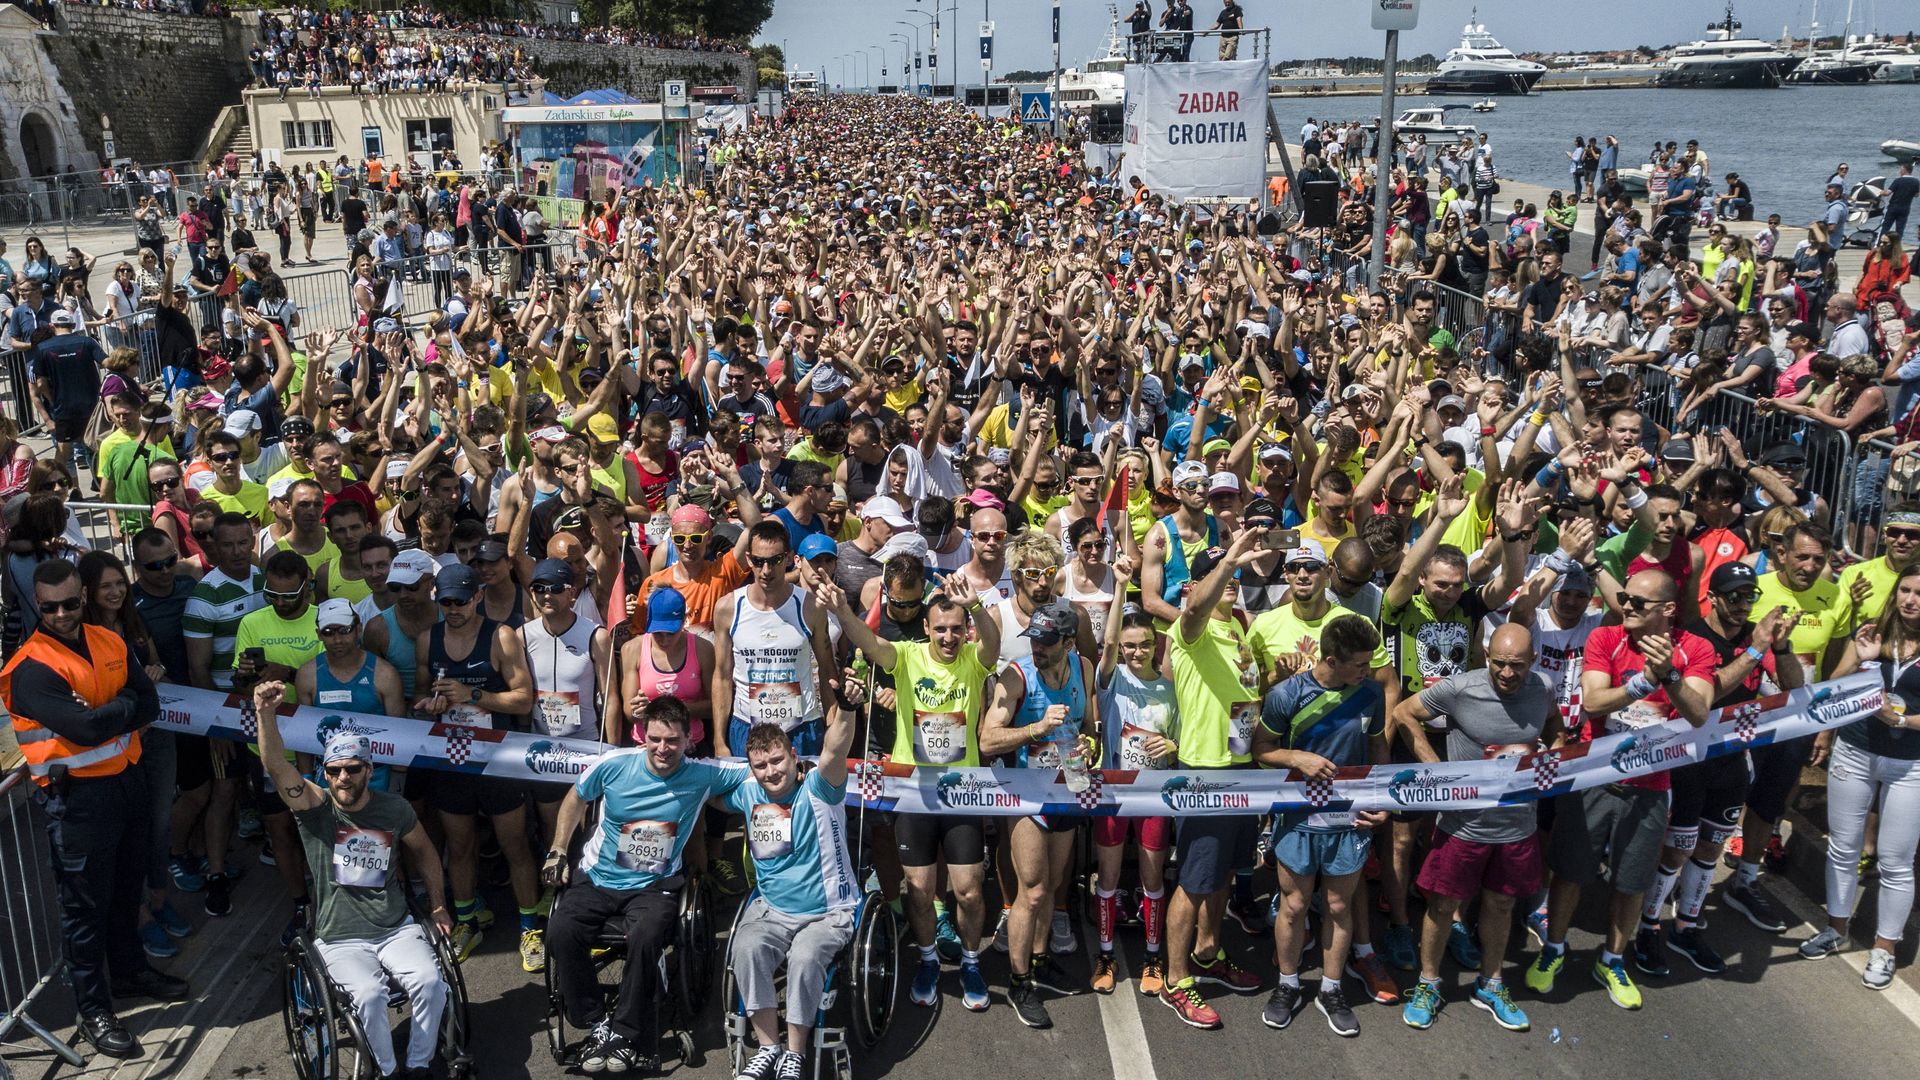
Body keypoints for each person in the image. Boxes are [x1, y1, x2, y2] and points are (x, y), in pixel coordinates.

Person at [0, 560, 184, 1060]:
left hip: (125, 783)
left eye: (69, 603)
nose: (60, 614)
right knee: (84, 909)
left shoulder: (109, 640)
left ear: (83, 596)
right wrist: (119, 707)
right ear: (37, 604)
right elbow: (87, 729)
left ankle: (128, 972)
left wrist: (107, 712)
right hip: (77, 801)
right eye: (48, 606)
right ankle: (93, 1008)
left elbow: (149, 705)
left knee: (127, 890)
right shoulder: (29, 668)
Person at [1530, 569, 1716, 1012]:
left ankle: (1612, 960)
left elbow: (1699, 714)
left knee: (1631, 883)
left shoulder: (1697, 650)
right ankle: (1554, 948)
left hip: (1652, 787)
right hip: (1594, 779)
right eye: (1625, 599)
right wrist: (1641, 684)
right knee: (1571, 872)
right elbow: (1593, 702)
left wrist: (1669, 675)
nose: (1625, 606)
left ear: (1668, 610)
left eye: (1638, 602)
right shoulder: (1607, 639)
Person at [248, 678, 451, 1080]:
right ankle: (389, 1070)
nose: (343, 778)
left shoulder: (395, 809)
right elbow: (274, 764)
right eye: (335, 770)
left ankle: (419, 1065)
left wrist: (439, 904)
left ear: (369, 770)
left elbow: (426, 852)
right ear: (325, 772)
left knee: (431, 982)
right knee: (370, 996)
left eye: (352, 769)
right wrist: (264, 713)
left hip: (395, 928)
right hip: (340, 937)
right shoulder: (315, 808)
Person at [816, 569, 1000, 1012]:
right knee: (918, 889)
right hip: (913, 794)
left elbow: (992, 644)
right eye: (941, 629)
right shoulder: (906, 657)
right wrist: (842, 609)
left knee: (969, 890)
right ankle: (929, 960)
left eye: (957, 629)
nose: (949, 637)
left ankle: (972, 962)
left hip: (961, 793)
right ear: (926, 629)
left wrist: (975, 606)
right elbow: (868, 642)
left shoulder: (974, 660)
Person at [542, 695, 748, 1074]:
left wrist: (801, 772)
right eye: (655, 739)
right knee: (560, 929)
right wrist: (558, 848)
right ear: (642, 736)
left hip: (654, 886)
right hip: (599, 878)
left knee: (647, 935)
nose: (662, 749)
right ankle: (595, 1021)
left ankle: (624, 1031)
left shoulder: (703, 773)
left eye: (672, 741)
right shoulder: (614, 764)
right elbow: (575, 797)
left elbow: (759, 772)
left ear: (688, 740)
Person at [1390, 623, 1557, 1033]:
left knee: (1501, 905)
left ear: (1533, 659)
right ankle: (1428, 984)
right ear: (1486, 655)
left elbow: (1553, 725)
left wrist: (1554, 748)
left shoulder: (1544, 687)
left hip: (1517, 827)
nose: (1506, 673)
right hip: (1462, 827)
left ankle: (1491, 983)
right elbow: (1403, 712)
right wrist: (1435, 768)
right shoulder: (1461, 688)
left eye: (1516, 665)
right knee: (1443, 906)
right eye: (1499, 663)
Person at [720, 600, 861, 1080]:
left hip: (827, 912)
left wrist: (849, 704)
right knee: (745, 947)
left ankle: (795, 1054)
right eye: (761, 766)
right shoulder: (746, 792)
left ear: (794, 759)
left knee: (804, 959)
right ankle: (768, 1047)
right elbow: (691, 780)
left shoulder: (819, 787)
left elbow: (838, 742)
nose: (771, 772)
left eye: (778, 761)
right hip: (772, 910)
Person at [1254, 614, 1387, 1037]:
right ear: (1331, 659)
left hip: (1350, 821)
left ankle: (1331, 990)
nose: (1369, 671)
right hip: (1297, 820)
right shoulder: (1285, 695)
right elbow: (1261, 749)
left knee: (1337, 907)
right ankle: (1288, 985)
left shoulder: (1371, 694)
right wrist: (1297, 758)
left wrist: (1383, 801)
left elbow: (1378, 747)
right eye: (1361, 664)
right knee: (1293, 905)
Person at [1158, 531, 1266, 1029]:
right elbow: (1196, 606)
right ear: (1196, 584)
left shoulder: (1239, 631)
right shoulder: (1189, 628)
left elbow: (1242, 698)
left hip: (1242, 768)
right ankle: (1176, 979)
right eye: (1220, 573)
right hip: (1207, 774)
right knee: (1195, 881)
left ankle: (1207, 952)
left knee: (1223, 873)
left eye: (1236, 574)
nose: (1232, 580)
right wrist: (1225, 564)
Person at [978, 599, 1098, 1028]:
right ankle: (1019, 981)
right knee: (1029, 890)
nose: (1037, 649)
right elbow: (988, 741)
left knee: (1051, 885)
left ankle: (1041, 955)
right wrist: (1036, 729)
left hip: (1068, 788)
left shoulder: (1083, 670)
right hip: (1025, 796)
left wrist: (1090, 748)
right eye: (1034, 640)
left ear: (1068, 641)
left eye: (1047, 642)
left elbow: (1089, 729)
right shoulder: (1015, 676)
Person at [412, 563, 539, 965]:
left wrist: (473, 696)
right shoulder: (427, 640)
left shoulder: (500, 637)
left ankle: (529, 927)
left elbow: (524, 699)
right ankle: (466, 919)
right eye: (446, 602)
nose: (453, 609)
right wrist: (431, 706)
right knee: (460, 845)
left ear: (478, 597)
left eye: (461, 602)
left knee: (514, 844)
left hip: (498, 757)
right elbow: (418, 702)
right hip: (453, 759)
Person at [1800, 565, 1920, 989]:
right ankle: (1836, 928)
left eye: (1919, 593)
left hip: (1910, 764)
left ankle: (1884, 949)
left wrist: (1902, 722)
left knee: (1895, 861)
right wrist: (1827, 730)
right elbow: (1835, 685)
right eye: (1905, 590)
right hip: (1855, 748)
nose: (1910, 600)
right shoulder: (1873, 633)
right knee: (1843, 846)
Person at [1090, 567, 1174, 996]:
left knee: (1152, 879)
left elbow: (1179, 740)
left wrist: (1171, 745)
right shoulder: (1112, 678)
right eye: (1128, 647)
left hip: (1155, 797)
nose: (1136, 653)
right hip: (1112, 793)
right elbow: (1104, 643)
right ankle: (1105, 954)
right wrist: (1121, 584)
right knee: (1107, 877)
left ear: (1155, 645)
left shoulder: (1169, 688)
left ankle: (1153, 956)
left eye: (1143, 646)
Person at [711, 522, 836, 758]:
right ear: (748, 559)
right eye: (758, 561)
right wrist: (718, 739)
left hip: (801, 728)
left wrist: (832, 729)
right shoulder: (728, 607)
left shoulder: (810, 607)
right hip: (747, 727)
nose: (766, 570)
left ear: (789, 558)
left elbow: (828, 671)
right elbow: (722, 676)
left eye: (775, 560)